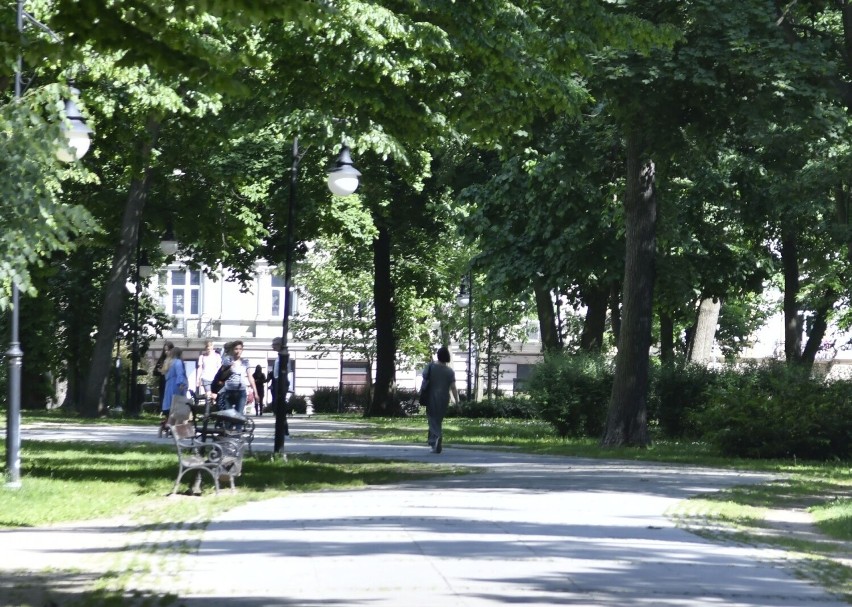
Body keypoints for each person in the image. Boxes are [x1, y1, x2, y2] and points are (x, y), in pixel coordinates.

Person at [422, 346, 459, 454]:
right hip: (444, 398)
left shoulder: (430, 366)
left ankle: (436, 438)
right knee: (438, 420)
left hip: (431, 396)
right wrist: (457, 402)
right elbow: (453, 387)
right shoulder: (450, 371)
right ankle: (434, 443)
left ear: (438, 355)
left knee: (432, 419)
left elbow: (424, 378)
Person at [219, 340, 257, 416]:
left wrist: (255, 392)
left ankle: (238, 428)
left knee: (239, 416)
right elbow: (222, 376)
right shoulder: (228, 360)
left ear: (242, 350)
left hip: (241, 391)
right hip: (229, 391)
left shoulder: (245, 361)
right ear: (233, 350)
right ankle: (228, 427)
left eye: (240, 349)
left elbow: (250, 377)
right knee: (229, 416)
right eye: (236, 349)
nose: (238, 351)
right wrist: (229, 369)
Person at [160, 346, 188, 438]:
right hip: (176, 385)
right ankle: (177, 430)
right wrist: (181, 384)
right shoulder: (178, 362)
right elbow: (180, 373)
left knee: (171, 407)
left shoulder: (168, 362)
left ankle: (168, 425)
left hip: (169, 385)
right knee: (179, 408)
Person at [153, 341, 174, 406]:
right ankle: (163, 410)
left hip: (171, 381)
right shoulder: (162, 359)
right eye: (165, 350)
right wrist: (160, 371)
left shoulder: (174, 359)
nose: (166, 352)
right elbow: (155, 371)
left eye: (168, 350)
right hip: (163, 381)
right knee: (163, 396)